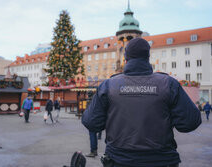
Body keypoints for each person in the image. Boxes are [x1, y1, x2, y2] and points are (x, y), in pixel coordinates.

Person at [82, 38, 202, 167]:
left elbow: (91, 122)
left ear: (126, 59)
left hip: (119, 160)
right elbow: (190, 122)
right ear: (147, 57)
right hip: (161, 161)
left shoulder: (109, 85)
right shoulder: (168, 84)